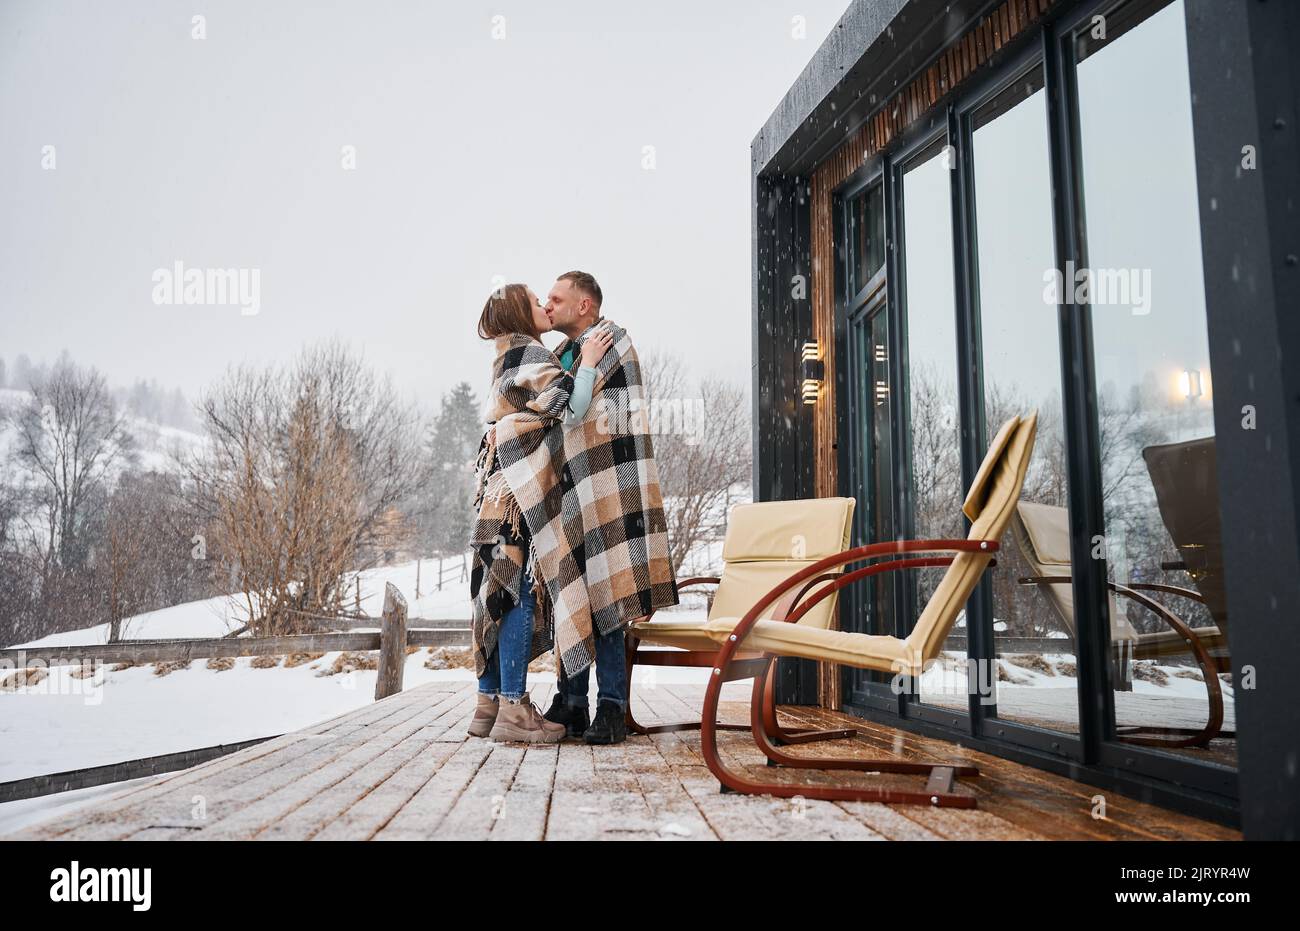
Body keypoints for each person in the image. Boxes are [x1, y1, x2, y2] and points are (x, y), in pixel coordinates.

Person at [468, 282, 612, 742]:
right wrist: (587, 362)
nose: (544, 307)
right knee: (517, 594)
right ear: (519, 313)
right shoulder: (530, 352)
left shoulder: (505, 354)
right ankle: (514, 710)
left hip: (497, 487)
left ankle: (486, 705)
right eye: (536, 302)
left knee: (494, 588)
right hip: (517, 489)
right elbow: (571, 406)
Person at [540, 270, 679, 744]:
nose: (548, 304)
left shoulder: (614, 345)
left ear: (584, 306)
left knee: (609, 593)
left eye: (556, 298)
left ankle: (612, 706)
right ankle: (572, 702)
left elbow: (593, 416)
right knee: (575, 592)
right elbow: (556, 414)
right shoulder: (561, 356)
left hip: (609, 484)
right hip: (572, 487)